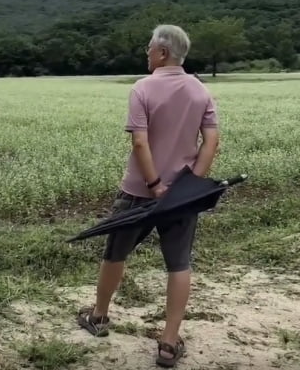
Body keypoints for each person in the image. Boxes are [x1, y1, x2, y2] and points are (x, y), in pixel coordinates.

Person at [77, 24, 219, 368]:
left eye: (149, 49)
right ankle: (169, 344)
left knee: (115, 255)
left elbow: (140, 142)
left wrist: (155, 185)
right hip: (180, 200)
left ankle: (98, 318)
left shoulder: (143, 88)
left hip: (137, 193)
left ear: (163, 53)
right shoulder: (201, 91)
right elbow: (211, 142)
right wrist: (187, 188)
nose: (146, 54)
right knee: (179, 264)